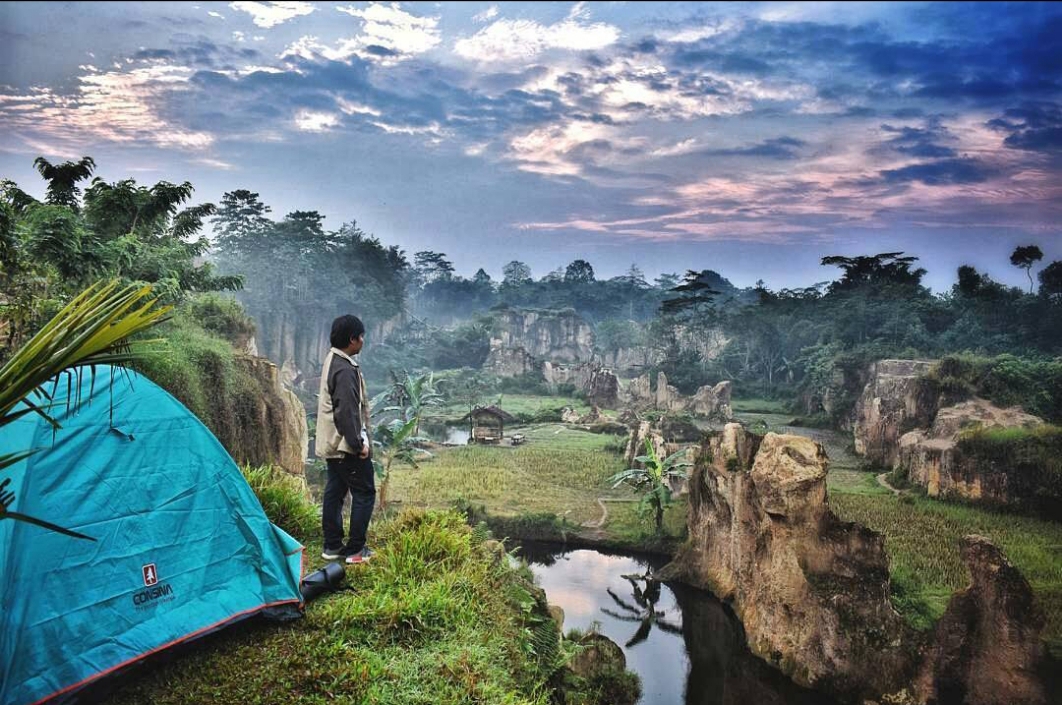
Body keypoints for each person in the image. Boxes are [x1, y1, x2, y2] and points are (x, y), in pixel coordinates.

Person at [316, 314, 375, 565]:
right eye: (361, 337)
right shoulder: (345, 369)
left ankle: (332, 546)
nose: (362, 341)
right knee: (365, 493)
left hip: (332, 444)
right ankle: (355, 551)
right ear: (352, 339)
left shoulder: (333, 360)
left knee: (335, 491)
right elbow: (347, 412)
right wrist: (358, 444)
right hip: (344, 446)